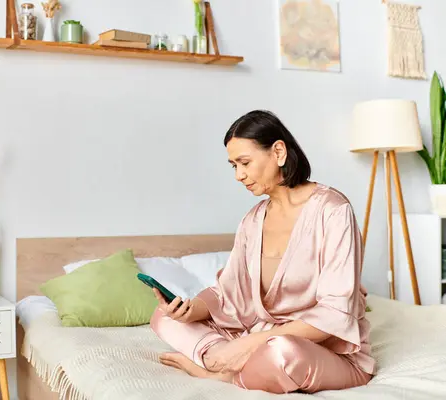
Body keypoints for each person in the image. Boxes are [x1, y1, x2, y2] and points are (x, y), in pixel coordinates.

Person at [149, 110, 375, 394]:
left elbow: (334, 315)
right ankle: (231, 361)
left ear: (278, 152)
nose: (239, 175)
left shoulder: (333, 211)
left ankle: (225, 375)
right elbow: (228, 292)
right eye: (233, 166)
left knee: (282, 353)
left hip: (323, 351)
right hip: (258, 336)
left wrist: (248, 344)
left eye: (244, 162)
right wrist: (190, 310)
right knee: (163, 318)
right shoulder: (252, 220)